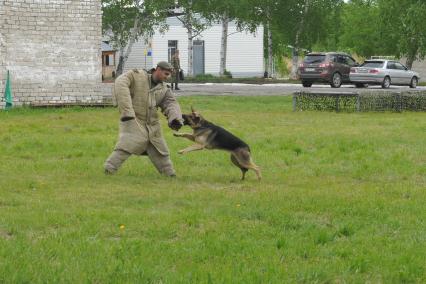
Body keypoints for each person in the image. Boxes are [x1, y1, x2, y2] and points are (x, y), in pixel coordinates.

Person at [104, 61, 183, 177]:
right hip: (133, 119)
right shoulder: (137, 76)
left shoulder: (164, 89)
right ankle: (109, 169)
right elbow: (120, 82)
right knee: (127, 145)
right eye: (166, 74)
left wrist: (175, 118)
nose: (168, 77)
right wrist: (127, 111)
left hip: (152, 124)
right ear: (158, 69)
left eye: (169, 75)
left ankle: (170, 175)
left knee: (161, 150)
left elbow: (171, 103)